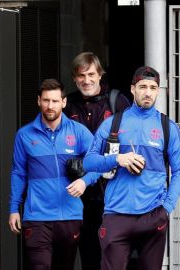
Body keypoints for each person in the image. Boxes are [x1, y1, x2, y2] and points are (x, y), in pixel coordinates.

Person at [83, 66, 180, 270]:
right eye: (142, 87)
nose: (148, 92)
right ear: (132, 89)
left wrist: (166, 208)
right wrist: (117, 159)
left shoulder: (168, 127)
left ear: (158, 91)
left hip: (153, 214)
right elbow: (89, 162)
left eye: (153, 87)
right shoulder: (112, 124)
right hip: (116, 215)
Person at [8, 79, 99, 270]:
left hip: (70, 216)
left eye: (55, 101)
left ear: (64, 102)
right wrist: (14, 208)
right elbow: (18, 172)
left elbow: (98, 164)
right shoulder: (24, 135)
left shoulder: (79, 132)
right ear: (39, 101)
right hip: (37, 217)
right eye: (46, 100)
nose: (50, 106)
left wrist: (84, 181)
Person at [64, 52, 130, 270]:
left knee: (115, 252)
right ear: (74, 78)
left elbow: (131, 137)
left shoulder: (116, 101)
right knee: (88, 253)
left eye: (91, 74)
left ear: (100, 75)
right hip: (79, 192)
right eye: (81, 75)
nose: (86, 80)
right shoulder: (68, 105)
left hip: (112, 190)